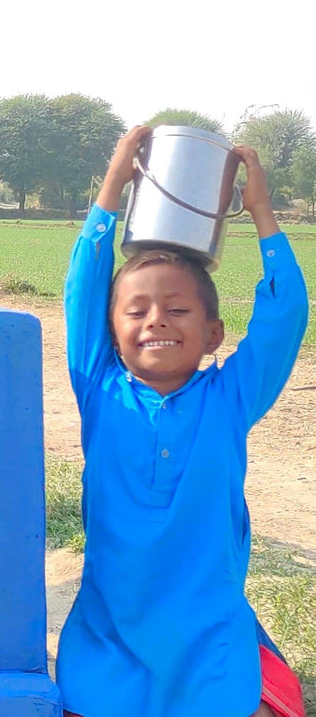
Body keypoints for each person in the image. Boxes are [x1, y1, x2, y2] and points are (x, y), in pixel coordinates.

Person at [57, 125, 309, 717]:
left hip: (204, 635)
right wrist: (116, 180)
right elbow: (80, 289)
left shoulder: (229, 399)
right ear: (112, 332)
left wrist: (263, 212)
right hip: (110, 631)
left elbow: (286, 314)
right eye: (136, 310)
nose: (155, 322)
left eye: (177, 309)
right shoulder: (99, 387)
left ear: (213, 333)